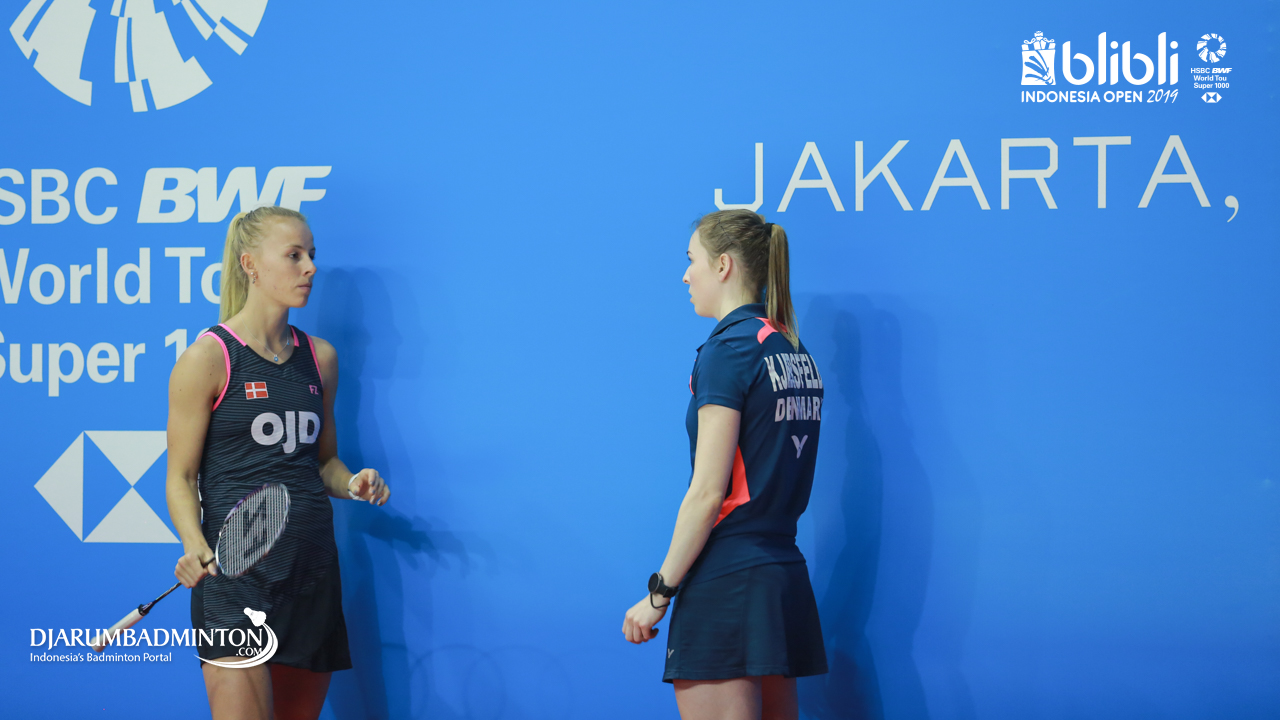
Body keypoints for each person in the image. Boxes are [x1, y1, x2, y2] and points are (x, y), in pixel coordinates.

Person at [166, 206, 391, 720]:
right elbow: (180, 476)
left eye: (311, 254)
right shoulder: (207, 358)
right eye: (294, 255)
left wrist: (352, 482)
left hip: (311, 575)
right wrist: (194, 543)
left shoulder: (321, 358)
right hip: (235, 582)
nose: (310, 267)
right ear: (250, 264)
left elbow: (323, 462)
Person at [623, 209, 828, 720]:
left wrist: (659, 592)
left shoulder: (728, 349)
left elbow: (708, 493)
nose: (685, 275)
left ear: (723, 265)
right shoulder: (791, 347)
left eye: (691, 260)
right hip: (780, 577)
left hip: (729, 582)